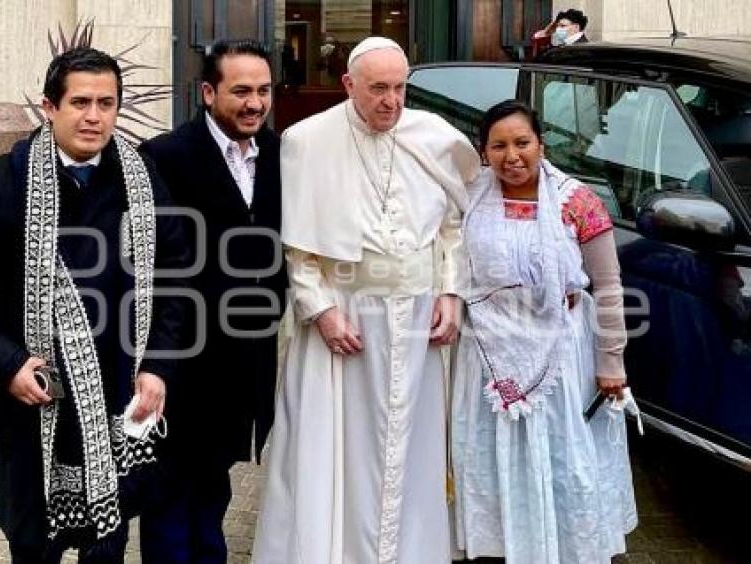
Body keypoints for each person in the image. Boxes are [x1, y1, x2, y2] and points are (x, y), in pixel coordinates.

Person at [0, 47, 188, 563]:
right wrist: (7, 365)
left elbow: (176, 279)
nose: (94, 116)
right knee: (33, 544)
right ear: (50, 107)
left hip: (119, 394)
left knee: (108, 543)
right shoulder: (5, 183)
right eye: (81, 102)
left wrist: (158, 365)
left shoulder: (142, 181)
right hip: (35, 401)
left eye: (106, 103)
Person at [252, 36, 480, 563]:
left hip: (419, 320)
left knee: (414, 446)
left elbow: (452, 227)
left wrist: (451, 291)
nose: (391, 102)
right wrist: (323, 311)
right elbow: (298, 249)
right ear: (349, 84)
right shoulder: (307, 141)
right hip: (346, 320)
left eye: (400, 88)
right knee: (338, 448)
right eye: (378, 89)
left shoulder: (434, 137)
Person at [450, 100, 637, 563]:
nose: (512, 156)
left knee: (561, 455)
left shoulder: (577, 201)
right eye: (498, 145)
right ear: (483, 151)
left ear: (541, 144)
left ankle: (564, 547)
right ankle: (498, 545)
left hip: (562, 350)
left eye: (522, 143)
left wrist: (611, 361)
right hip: (488, 349)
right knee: (490, 455)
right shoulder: (470, 196)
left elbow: (609, 285)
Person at [139, 39, 287, 563]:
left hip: (246, 359)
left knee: (214, 483)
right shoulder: (164, 156)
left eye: (264, 91)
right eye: (240, 91)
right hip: (183, 357)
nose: (254, 103)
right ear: (208, 92)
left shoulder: (280, 154)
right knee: (170, 488)